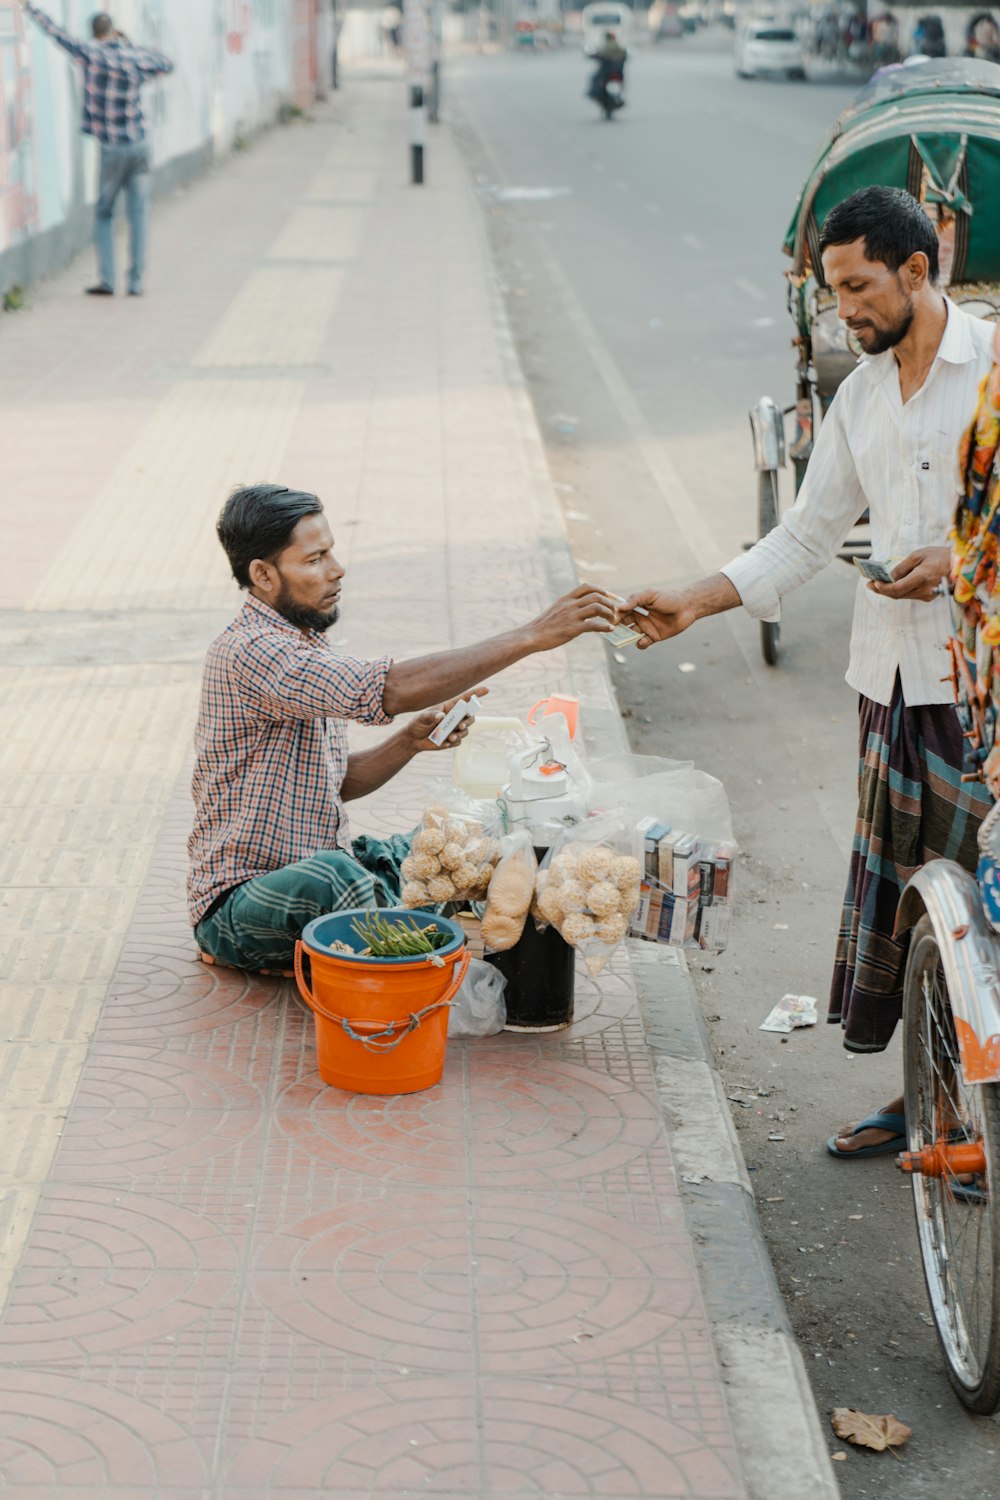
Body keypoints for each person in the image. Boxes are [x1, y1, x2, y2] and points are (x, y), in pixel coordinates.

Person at [624, 186, 996, 1158]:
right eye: (832, 295)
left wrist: (960, 566)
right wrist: (695, 599)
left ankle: (977, 1122)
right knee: (911, 899)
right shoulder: (860, 396)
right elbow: (803, 533)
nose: (846, 314)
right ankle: (928, 1097)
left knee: (984, 913)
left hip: (981, 687)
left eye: (859, 288)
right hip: (891, 687)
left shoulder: (992, 366)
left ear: (917, 270)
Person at [188, 484, 617, 973]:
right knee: (337, 877)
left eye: (332, 552)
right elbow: (391, 687)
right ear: (263, 574)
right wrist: (531, 636)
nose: (337, 569)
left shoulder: (302, 642)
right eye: (315, 559)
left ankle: (400, 935)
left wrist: (407, 744)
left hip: (327, 865)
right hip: (238, 906)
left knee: (462, 838)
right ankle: (414, 964)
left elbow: (331, 785)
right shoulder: (252, 651)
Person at [22, 4, 173, 297]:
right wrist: (129, 48)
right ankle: (136, 282)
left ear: (94, 33)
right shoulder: (135, 57)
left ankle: (107, 280)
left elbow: (57, 34)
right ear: (113, 30)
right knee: (139, 212)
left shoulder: (90, 53)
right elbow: (165, 64)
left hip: (113, 147)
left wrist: (30, 9)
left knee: (105, 213)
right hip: (140, 144)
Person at [587, 31, 627, 114]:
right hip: (618, 72)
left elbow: (599, 54)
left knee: (595, 80)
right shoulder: (617, 46)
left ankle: (594, 94)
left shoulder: (607, 46)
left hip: (606, 73)